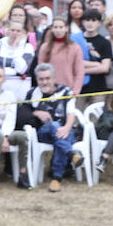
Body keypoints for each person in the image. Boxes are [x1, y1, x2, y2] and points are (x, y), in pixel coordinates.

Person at [27, 63, 80, 193]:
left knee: (61, 136)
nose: (44, 82)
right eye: (41, 79)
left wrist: (67, 127)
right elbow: (23, 113)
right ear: (37, 80)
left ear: (54, 78)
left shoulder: (65, 91)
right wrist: (36, 113)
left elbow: (71, 113)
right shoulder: (32, 93)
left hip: (65, 132)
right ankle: (71, 154)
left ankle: (56, 178)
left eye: (47, 78)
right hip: (43, 134)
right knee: (55, 126)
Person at [0, 17, 36, 100]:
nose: (15, 33)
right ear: (7, 30)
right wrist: (13, 71)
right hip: (0, 88)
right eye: (12, 30)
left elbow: (22, 70)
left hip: (20, 90)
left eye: (18, 31)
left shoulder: (28, 47)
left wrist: (14, 47)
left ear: (23, 32)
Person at [37, 17, 84, 95]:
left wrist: (76, 90)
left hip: (68, 90)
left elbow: (79, 72)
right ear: (52, 29)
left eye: (61, 27)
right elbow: (40, 70)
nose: (58, 30)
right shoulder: (45, 47)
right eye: (55, 27)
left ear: (66, 28)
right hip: (48, 90)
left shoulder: (75, 48)